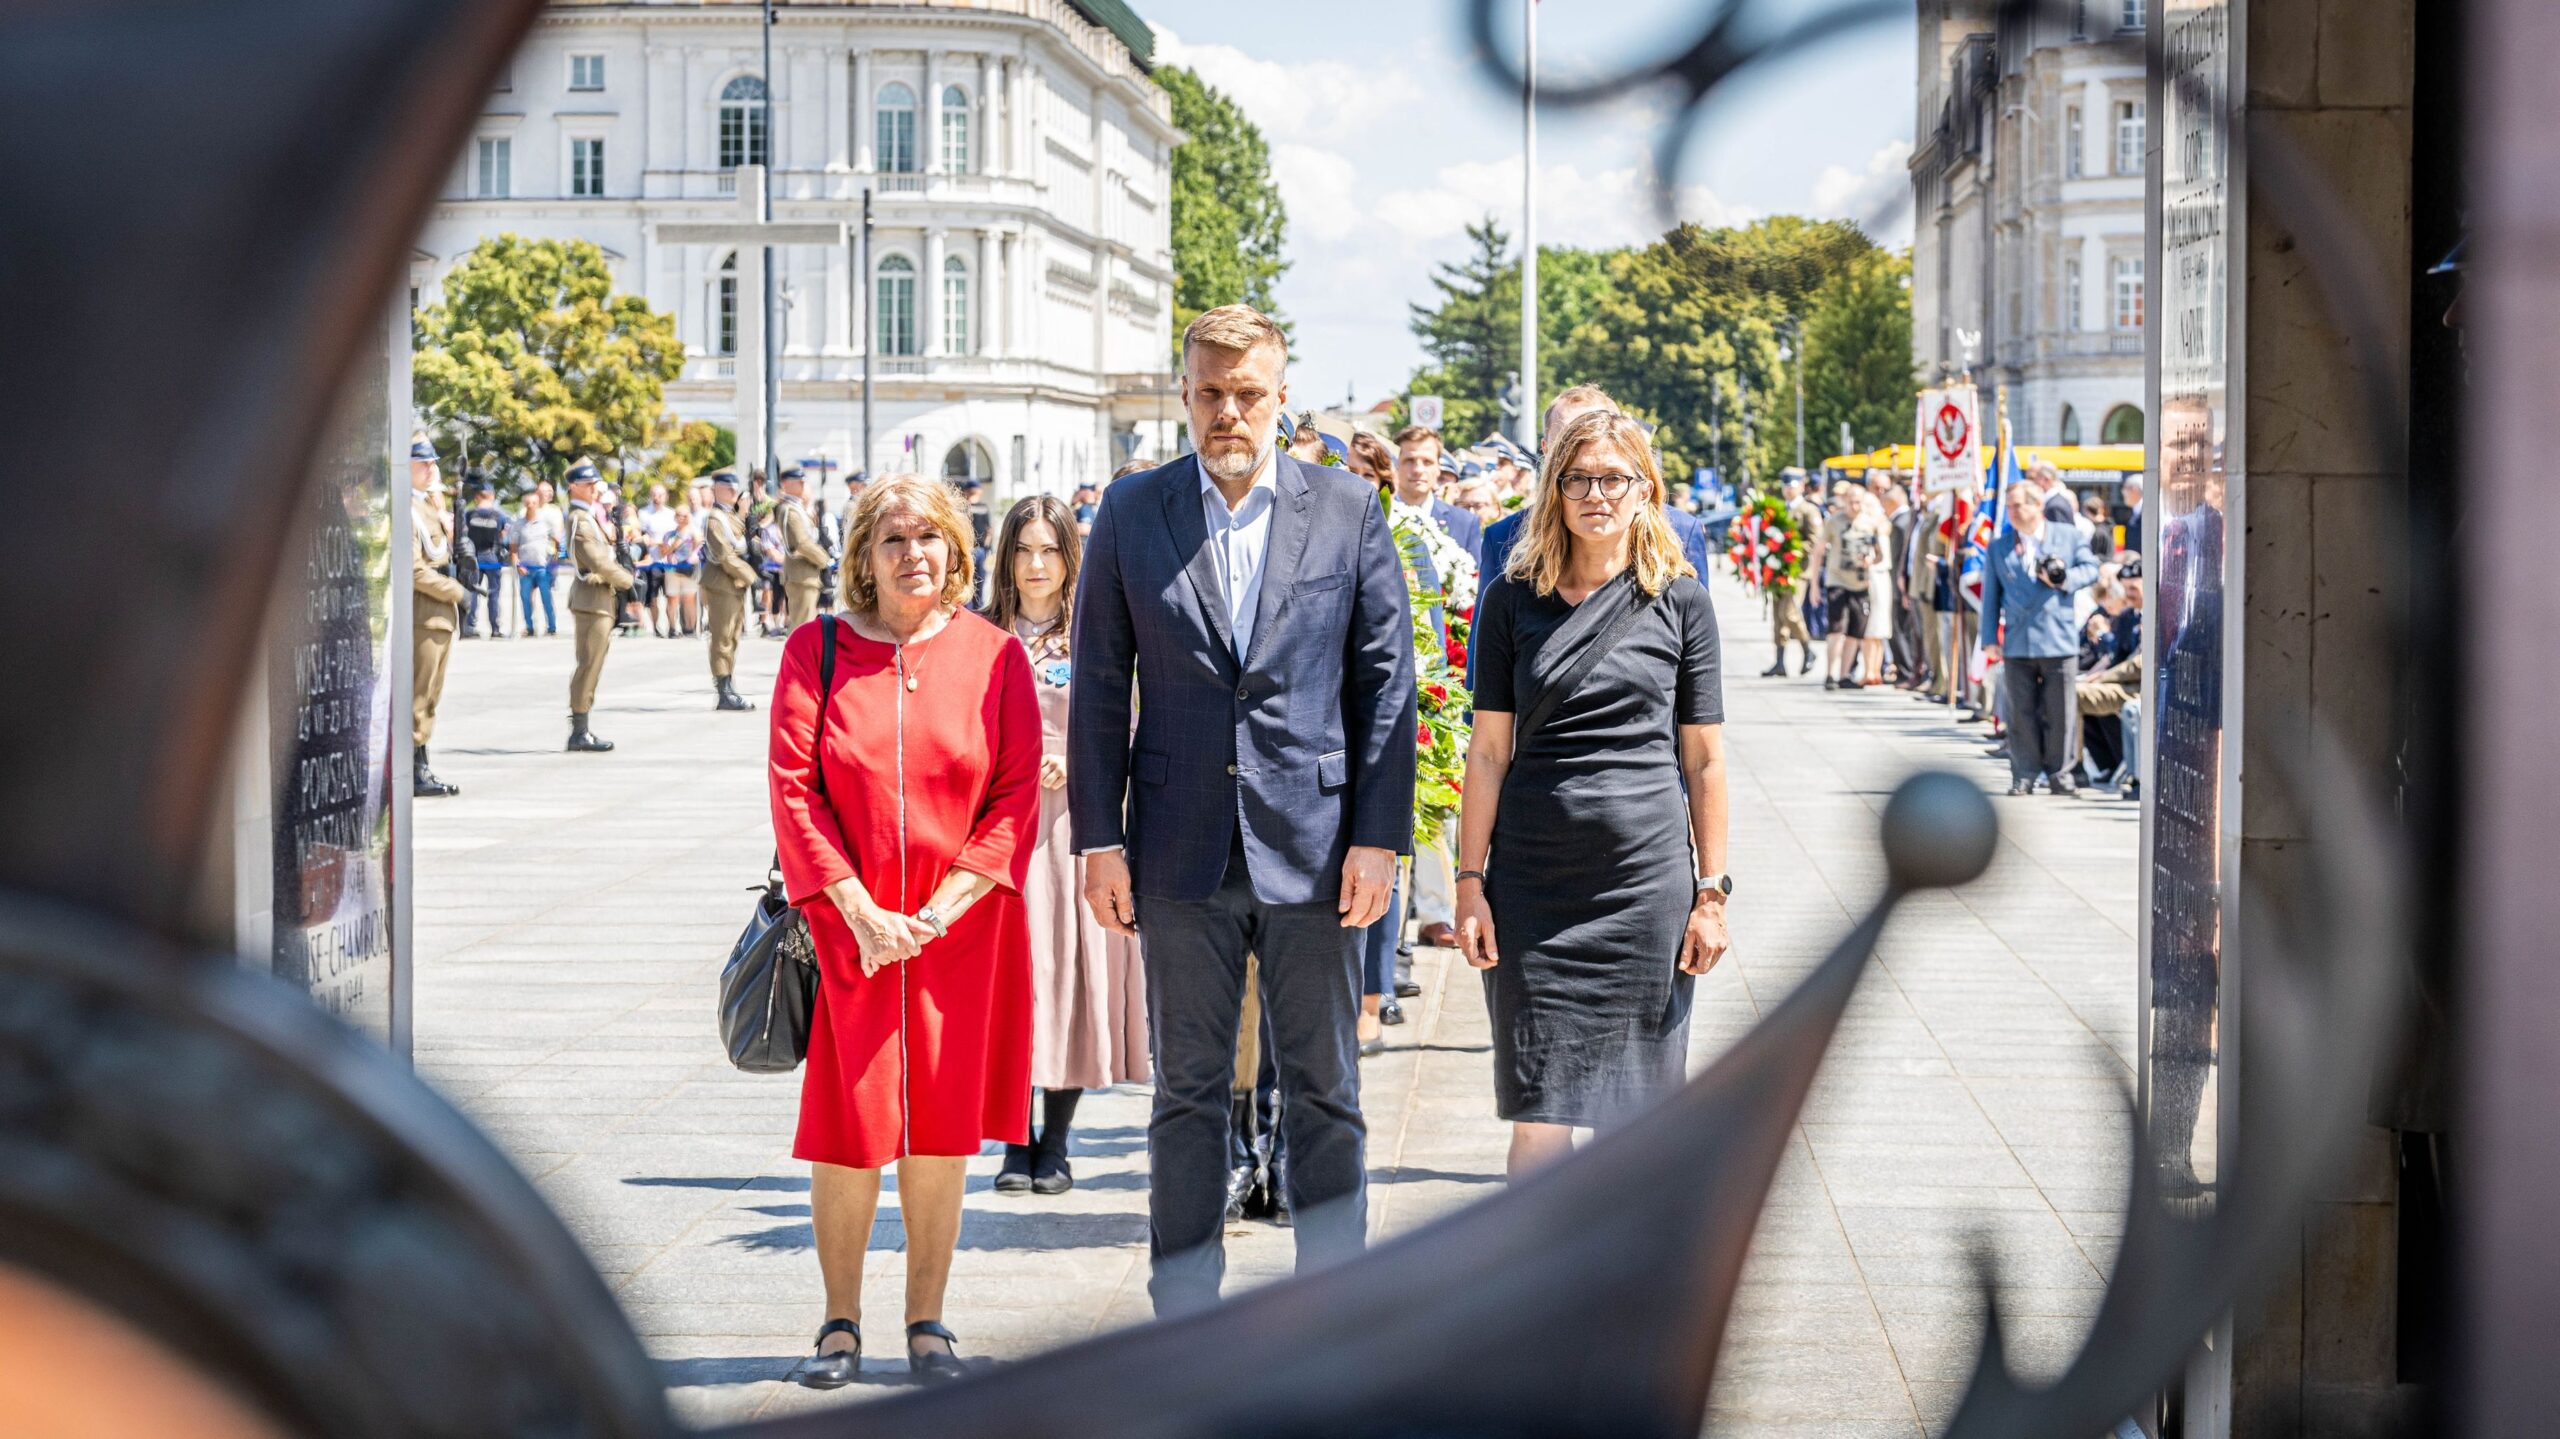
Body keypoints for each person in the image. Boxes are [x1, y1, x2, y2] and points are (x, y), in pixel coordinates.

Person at [1068, 304, 1415, 1317]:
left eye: (1248, 393)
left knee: (1325, 1091)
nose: (1229, 411)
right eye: (1211, 392)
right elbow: (1100, 684)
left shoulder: (1347, 508)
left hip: (1316, 852)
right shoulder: (1133, 511)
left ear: (1281, 398)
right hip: (1177, 852)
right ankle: (1183, 1319)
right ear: (1184, 394)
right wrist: (1099, 839)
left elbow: (1384, 684)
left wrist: (1379, 836)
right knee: (1184, 1094)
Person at [769, 472, 1042, 1388]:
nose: (913, 553)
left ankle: (927, 1321)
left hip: (957, 933)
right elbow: (794, 792)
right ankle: (839, 1323)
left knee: (939, 1130)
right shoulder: (816, 649)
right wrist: (859, 911)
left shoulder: (995, 657)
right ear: (864, 556)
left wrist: (934, 915)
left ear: (956, 552)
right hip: (849, 931)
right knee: (849, 1125)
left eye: (929, 537)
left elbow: (1013, 799)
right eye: (893, 539)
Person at [1452, 407, 1731, 1177]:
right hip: (1532, 892)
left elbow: (1705, 760)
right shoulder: (1511, 600)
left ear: (1645, 489)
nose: (1595, 494)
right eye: (1577, 478)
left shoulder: (1681, 601)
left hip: (1644, 891)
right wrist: (1469, 882)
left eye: (1613, 478)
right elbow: (1487, 753)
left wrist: (1712, 893)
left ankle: (1625, 1261)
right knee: (1538, 1118)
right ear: (1554, 490)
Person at [984, 494, 1149, 1198]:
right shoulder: (981, 634)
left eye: (1049, 550)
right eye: (1023, 550)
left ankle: (1054, 1140)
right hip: (999, 828)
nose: (1036, 564)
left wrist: (1075, 761)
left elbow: (1132, 721)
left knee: (1067, 976)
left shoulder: (1096, 633)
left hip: (1071, 828)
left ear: (1069, 557)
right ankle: (1012, 1138)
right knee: (1011, 981)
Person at [1981, 478, 2100, 794]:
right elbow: (1991, 597)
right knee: (2020, 713)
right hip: (2018, 640)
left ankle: (2060, 773)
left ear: (2038, 506)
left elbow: (2092, 569)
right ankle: (2024, 774)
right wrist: (1989, 638)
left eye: (2018, 505)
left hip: (2057, 638)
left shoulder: (2067, 536)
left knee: (2061, 712)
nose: (2012, 512)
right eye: (2009, 507)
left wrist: (2064, 579)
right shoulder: (2000, 546)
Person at [409, 440, 468, 798]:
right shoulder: (408, 509)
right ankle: (414, 771)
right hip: (424, 615)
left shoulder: (427, 506)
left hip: (438, 616)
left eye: (433, 463)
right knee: (419, 696)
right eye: (423, 464)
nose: (431, 468)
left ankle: (421, 765)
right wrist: (456, 591)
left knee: (431, 695)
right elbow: (415, 570)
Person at [562, 459, 633, 753]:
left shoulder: (589, 516)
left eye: (595, 483)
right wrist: (627, 580)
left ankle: (583, 727)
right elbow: (598, 561)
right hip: (591, 600)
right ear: (573, 486)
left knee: (594, 663)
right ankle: (579, 730)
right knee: (589, 664)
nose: (594, 488)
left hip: (599, 598)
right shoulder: (579, 519)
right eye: (588, 484)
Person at [699, 472, 759, 711]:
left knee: (733, 636)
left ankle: (729, 685)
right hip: (722, 583)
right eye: (728, 488)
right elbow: (725, 556)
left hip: (734, 583)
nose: (734, 492)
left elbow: (744, 544)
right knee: (722, 637)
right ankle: (723, 691)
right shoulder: (715, 519)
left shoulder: (731, 516)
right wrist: (751, 577)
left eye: (735, 488)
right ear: (716, 490)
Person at [1820, 482, 1884, 691]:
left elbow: (1880, 554)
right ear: (1845, 501)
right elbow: (1819, 550)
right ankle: (1830, 673)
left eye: (1858, 502)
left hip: (1860, 582)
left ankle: (1845, 674)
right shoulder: (1834, 521)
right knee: (1836, 629)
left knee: (1856, 631)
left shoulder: (1870, 523)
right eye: (1851, 502)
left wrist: (1870, 561)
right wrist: (1814, 585)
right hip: (1837, 581)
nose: (1855, 506)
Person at [1392, 425, 1484, 557]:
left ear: (1438, 468)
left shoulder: (1465, 523)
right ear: (1396, 465)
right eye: (1409, 460)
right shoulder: (1378, 516)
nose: (1418, 470)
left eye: (1427, 462)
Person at [777, 466, 829, 630]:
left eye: (802, 482)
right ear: (786, 484)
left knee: (805, 626)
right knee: (801, 626)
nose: (802, 485)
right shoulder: (789, 510)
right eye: (798, 482)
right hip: (800, 576)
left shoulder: (799, 509)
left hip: (805, 575)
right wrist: (824, 559)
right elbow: (801, 543)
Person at [462, 481, 510, 638]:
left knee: (473, 592)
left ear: (477, 497)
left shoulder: (469, 515)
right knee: (494, 594)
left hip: (473, 556)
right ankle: (495, 628)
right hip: (492, 557)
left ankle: (469, 627)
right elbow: (504, 537)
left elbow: (463, 534)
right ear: (492, 496)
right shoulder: (500, 516)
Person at [508, 492, 559, 637]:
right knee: (525, 598)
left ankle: (552, 626)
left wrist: (555, 559)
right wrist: (518, 564)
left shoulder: (545, 523)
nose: (530, 506)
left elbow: (557, 541)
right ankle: (529, 627)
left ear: (538, 505)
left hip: (542, 567)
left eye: (533, 503)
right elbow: (513, 548)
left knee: (546, 598)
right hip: (526, 568)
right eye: (528, 503)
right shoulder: (518, 524)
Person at [635, 483, 678, 635]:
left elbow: (677, 536)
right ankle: (656, 628)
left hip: (669, 562)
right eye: (654, 494)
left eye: (660, 495)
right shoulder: (643, 513)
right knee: (653, 599)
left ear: (666, 497)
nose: (656, 498)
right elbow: (640, 535)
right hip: (651, 562)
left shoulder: (672, 514)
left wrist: (667, 546)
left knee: (671, 597)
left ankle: (672, 628)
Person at [664, 504, 701, 637]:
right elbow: (666, 550)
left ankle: (690, 627)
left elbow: (698, 541)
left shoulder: (693, 532)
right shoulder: (670, 534)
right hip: (673, 569)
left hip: (689, 569)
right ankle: (672, 628)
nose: (682, 518)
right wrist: (671, 555)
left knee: (689, 599)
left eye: (685, 515)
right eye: (679, 515)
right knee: (672, 599)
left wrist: (689, 524)